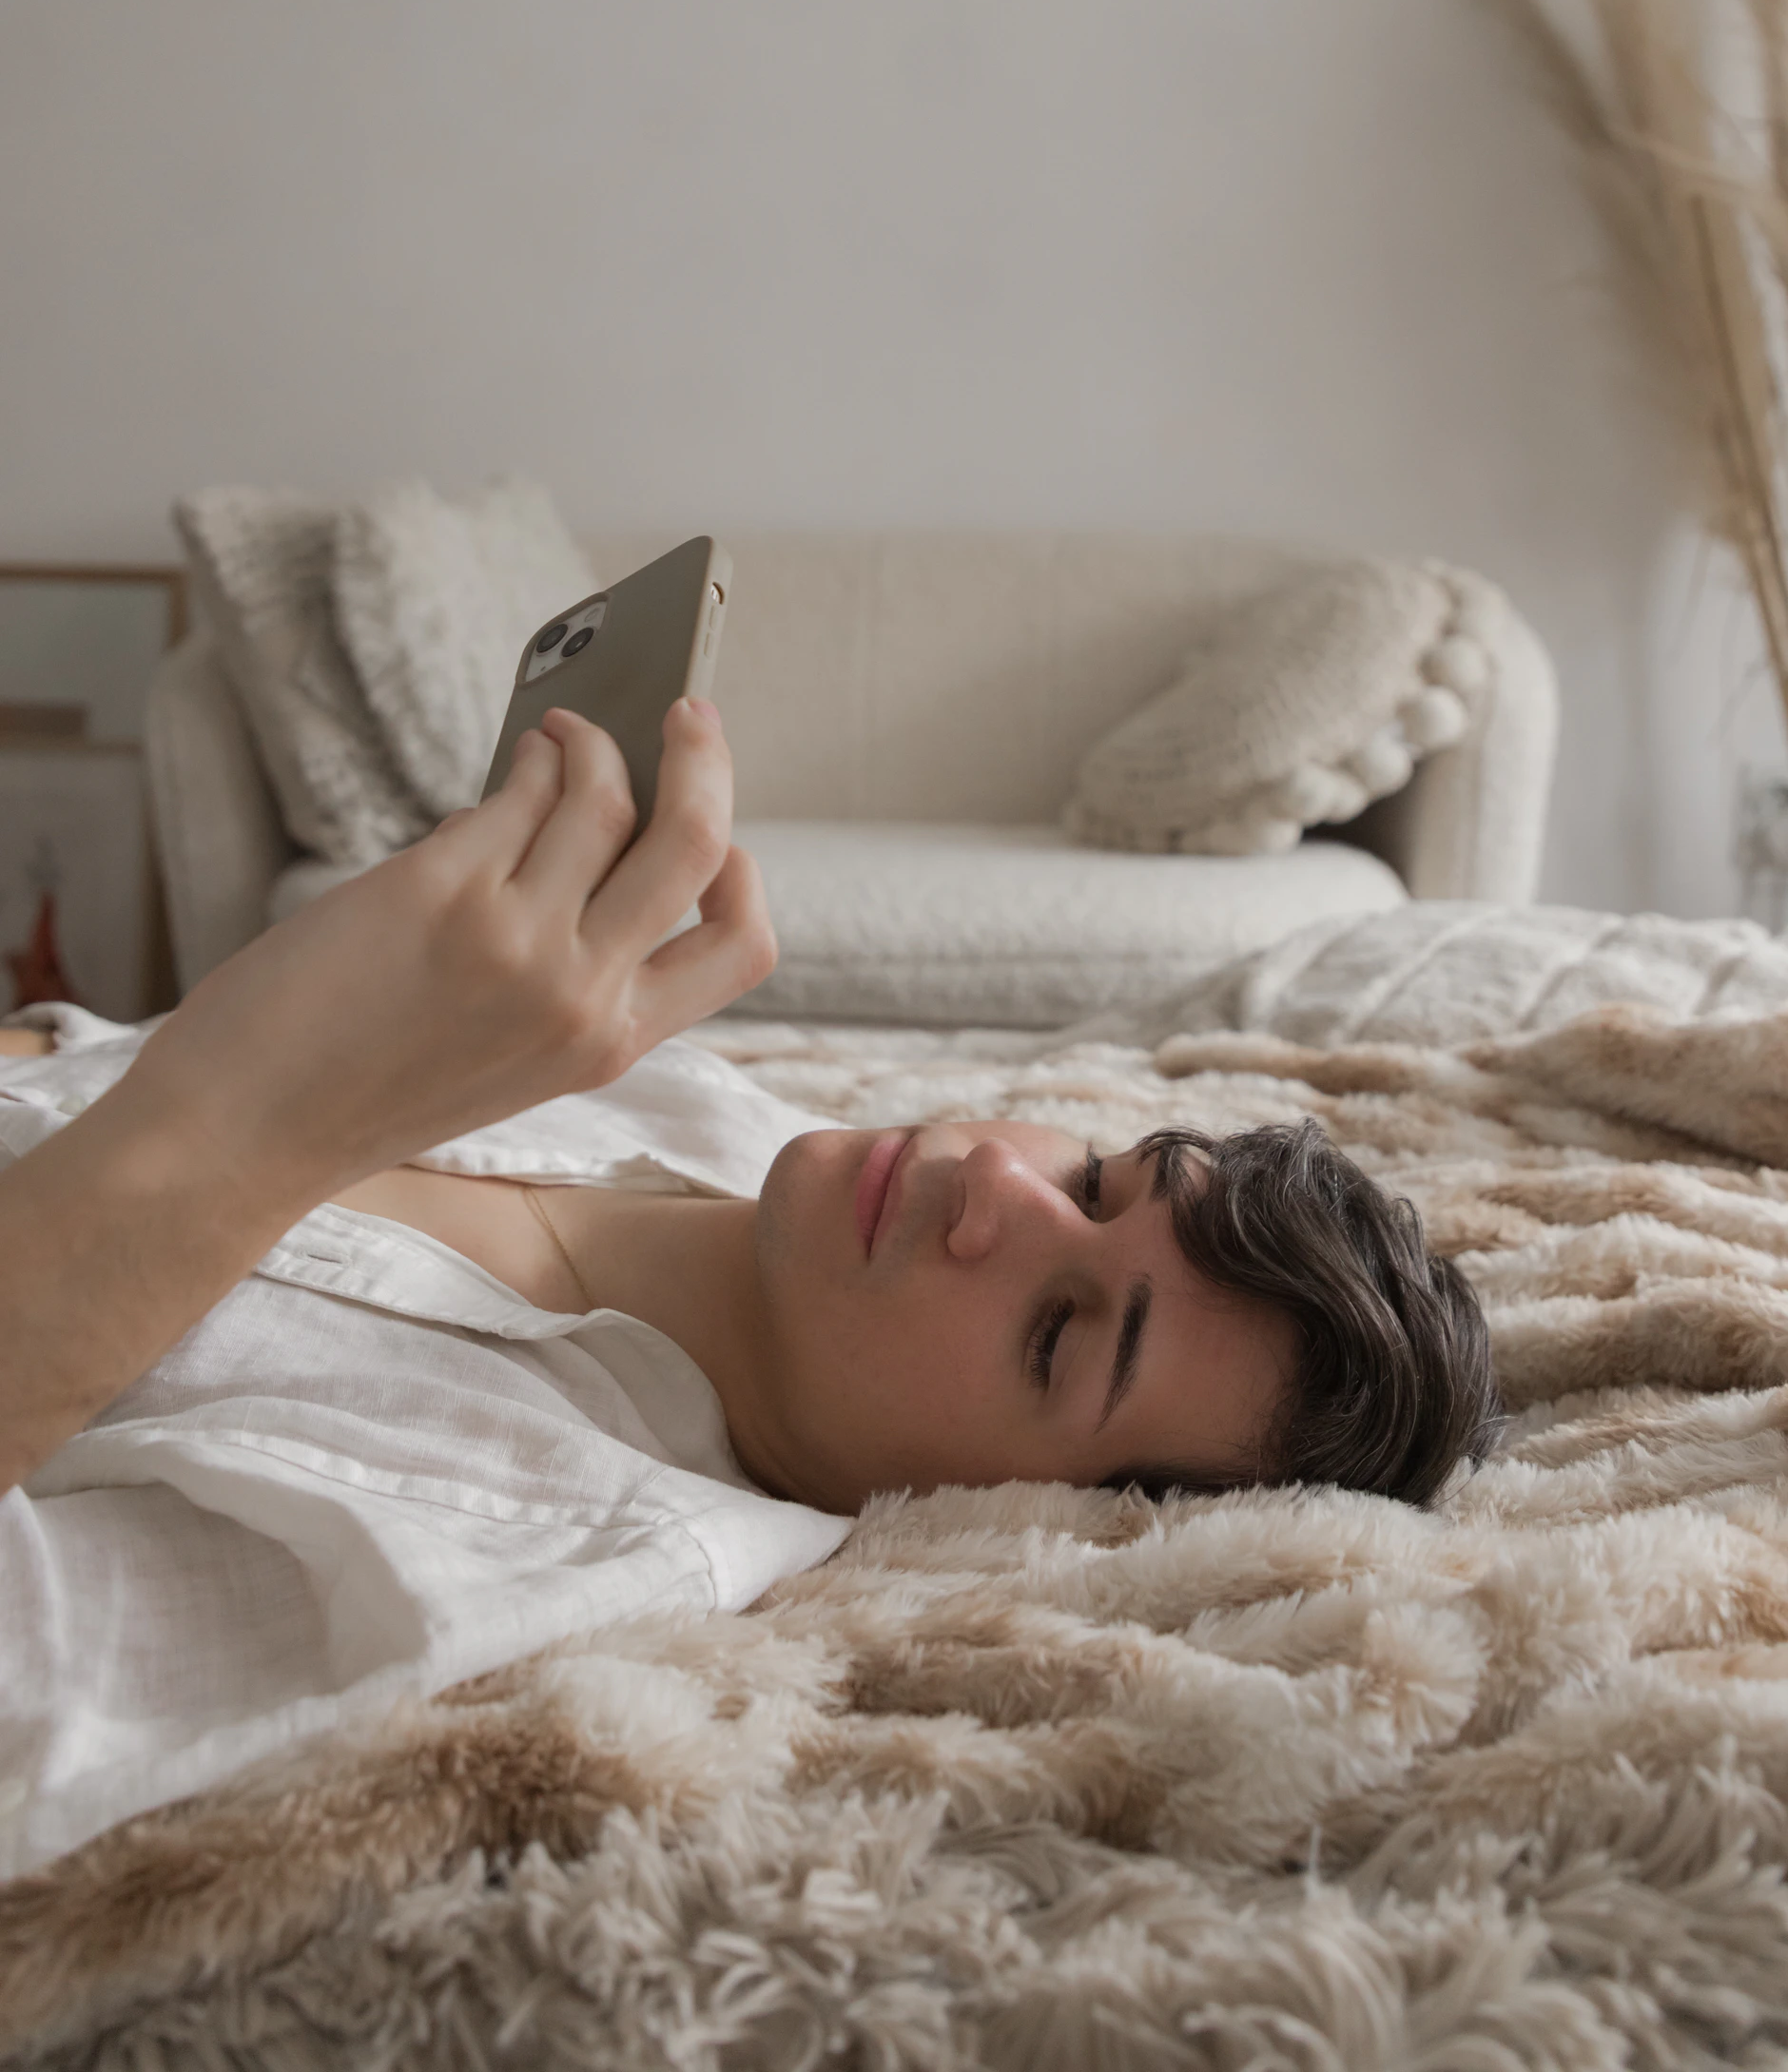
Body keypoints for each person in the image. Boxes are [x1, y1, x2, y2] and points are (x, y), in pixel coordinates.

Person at [0, 698, 1498, 1878]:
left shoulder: (529, 1540)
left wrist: (254, 1116)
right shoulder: (705, 1110)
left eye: (1057, 1333)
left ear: (1025, 1518)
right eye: (1098, 1178)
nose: (996, 1192)